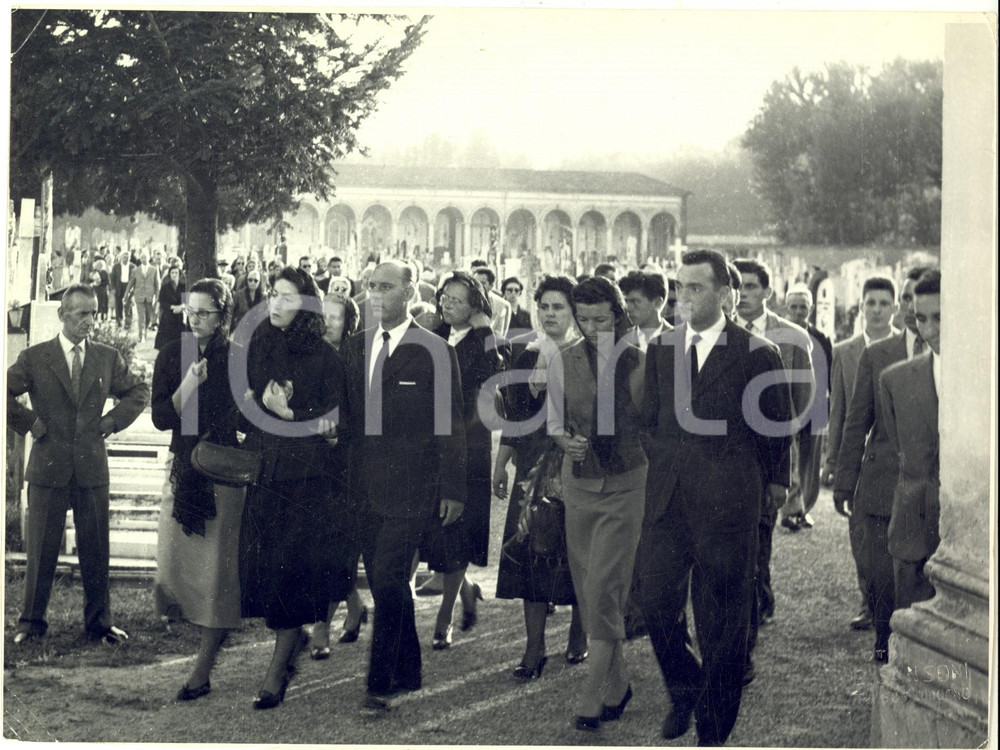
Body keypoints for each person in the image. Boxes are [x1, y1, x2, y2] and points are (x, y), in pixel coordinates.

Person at [638, 249, 791, 746]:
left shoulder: (756, 352)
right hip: (668, 502)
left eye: (695, 288)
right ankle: (684, 688)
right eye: (680, 286)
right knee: (656, 606)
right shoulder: (662, 348)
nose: (684, 296)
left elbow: (775, 429)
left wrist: (772, 486)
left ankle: (713, 731)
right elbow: (649, 422)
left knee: (722, 626)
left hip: (728, 506)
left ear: (724, 295)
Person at [341, 259, 466, 711]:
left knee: (391, 576)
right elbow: (346, 417)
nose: (375, 294)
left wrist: (452, 489)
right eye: (370, 285)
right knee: (382, 581)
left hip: (413, 486)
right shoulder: (354, 347)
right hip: (362, 486)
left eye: (386, 286)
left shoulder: (435, 349)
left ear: (410, 291)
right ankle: (408, 668)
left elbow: (450, 423)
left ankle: (381, 681)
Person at [7, 284, 150, 644]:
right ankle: (31, 624)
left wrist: (111, 421)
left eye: (94, 312)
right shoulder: (36, 357)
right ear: (63, 315)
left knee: (96, 549)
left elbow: (138, 392)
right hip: (48, 467)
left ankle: (100, 624)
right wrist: (29, 424)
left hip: (90, 468)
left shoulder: (106, 356)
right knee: (40, 550)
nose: (90, 320)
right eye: (82, 313)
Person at [239, 266, 350, 709]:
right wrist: (257, 410)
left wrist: (289, 416)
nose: (275, 302)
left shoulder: (326, 358)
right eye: (272, 293)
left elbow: (335, 422)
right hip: (267, 473)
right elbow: (244, 405)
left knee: (288, 571)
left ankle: (277, 669)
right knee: (266, 571)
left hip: (306, 482)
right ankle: (292, 642)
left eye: (286, 296)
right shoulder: (260, 345)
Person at [548, 276, 647, 731]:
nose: (590, 327)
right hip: (580, 486)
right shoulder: (562, 359)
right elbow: (554, 421)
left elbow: (656, 425)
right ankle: (618, 683)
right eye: (582, 318)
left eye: (600, 319)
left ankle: (590, 699)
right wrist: (563, 442)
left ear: (618, 313)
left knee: (604, 589)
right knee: (590, 593)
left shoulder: (640, 360)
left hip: (627, 483)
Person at [151, 278, 243, 701]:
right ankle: (204, 643)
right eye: (190, 311)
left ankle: (203, 667)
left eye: (205, 312)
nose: (195, 319)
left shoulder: (238, 358)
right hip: (183, 469)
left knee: (217, 575)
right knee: (172, 564)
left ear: (223, 316)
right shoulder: (172, 354)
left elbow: (249, 419)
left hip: (222, 475)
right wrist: (189, 383)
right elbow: (159, 418)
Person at [834, 266, 932, 662]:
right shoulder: (878, 355)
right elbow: (857, 420)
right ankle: (882, 630)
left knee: (916, 571)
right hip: (879, 480)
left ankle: (906, 646)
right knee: (876, 573)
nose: (911, 307)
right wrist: (844, 481)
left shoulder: (955, 352)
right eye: (905, 299)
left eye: (915, 299)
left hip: (926, 484)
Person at [494, 275, 587, 679]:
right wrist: (501, 463)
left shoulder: (589, 356)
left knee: (579, 552)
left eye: (559, 307)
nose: (550, 314)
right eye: (545, 307)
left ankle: (579, 633)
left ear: (573, 312)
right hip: (532, 469)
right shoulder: (524, 355)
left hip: (577, 467)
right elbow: (515, 418)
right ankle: (534, 647)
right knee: (530, 549)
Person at [732, 257, 813, 676]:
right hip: (721, 462)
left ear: (766, 291)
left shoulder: (793, 339)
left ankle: (748, 628)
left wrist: (781, 459)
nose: (742, 293)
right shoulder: (710, 337)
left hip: (765, 458)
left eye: (750, 286)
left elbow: (800, 403)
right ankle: (755, 600)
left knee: (757, 542)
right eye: (737, 285)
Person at [422, 272, 503, 649]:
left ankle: (444, 617)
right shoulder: (432, 336)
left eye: (457, 300)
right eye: (444, 297)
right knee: (433, 529)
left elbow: (494, 379)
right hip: (431, 444)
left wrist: (486, 333)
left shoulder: (482, 342)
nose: (447, 304)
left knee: (457, 531)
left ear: (475, 307)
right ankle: (467, 588)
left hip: (469, 443)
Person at [823, 275, 899, 631]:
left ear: (895, 308)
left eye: (884, 303)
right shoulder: (844, 351)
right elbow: (839, 411)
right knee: (861, 536)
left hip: (893, 457)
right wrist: (834, 462)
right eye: (871, 303)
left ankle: (889, 602)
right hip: (860, 456)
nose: (878, 310)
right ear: (862, 306)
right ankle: (869, 602)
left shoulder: (907, 348)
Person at [309, 292, 369, 658]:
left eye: (337, 317)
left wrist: (338, 433)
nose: (328, 322)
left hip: (344, 465)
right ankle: (355, 603)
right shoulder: (309, 356)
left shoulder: (354, 360)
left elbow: (362, 416)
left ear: (350, 323)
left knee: (336, 548)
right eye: (323, 315)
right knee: (320, 547)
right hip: (311, 463)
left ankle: (321, 627)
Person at [879, 270, 941, 614]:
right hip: (912, 534)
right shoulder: (896, 381)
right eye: (921, 318)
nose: (930, 330)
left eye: (940, 318)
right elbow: (904, 452)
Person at [780, 283, 832, 529]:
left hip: (815, 406)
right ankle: (790, 509)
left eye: (803, 308)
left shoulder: (821, 339)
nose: (799, 312)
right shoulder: (780, 334)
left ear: (810, 310)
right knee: (790, 457)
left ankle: (804, 508)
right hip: (788, 405)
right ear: (786, 308)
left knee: (810, 461)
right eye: (794, 307)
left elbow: (828, 376)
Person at [619, 270, 672, 352]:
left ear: (657, 302)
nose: (628, 308)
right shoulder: (622, 340)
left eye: (635, 301)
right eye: (626, 301)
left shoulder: (680, 339)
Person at [125, 253, 160, 342]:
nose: (143, 259)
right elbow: (131, 283)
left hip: (150, 296)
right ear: (140, 259)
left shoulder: (154, 269)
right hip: (139, 295)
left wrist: (157, 297)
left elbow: (157, 284)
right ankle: (142, 336)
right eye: (142, 257)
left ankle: (145, 331)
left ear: (148, 258)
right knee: (141, 316)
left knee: (148, 317)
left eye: (145, 257)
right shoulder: (136, 270)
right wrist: (126, 294)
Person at [154, 265, 186, 351]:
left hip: (180, 315)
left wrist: (181, 307)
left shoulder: (183, 287)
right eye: (172, 273)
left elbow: (187, 301)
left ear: (179, 274)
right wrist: (172, 307)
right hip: (168, 315)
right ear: (169, 275)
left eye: (176, 273)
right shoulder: (165, 287)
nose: (174, 275)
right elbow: (162, 301)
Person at [110, 249, 131, 327]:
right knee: (118, 304)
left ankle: (128, 322)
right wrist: (113, 288)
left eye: (127, 257)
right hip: (119, 286)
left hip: (128, 287)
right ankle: (119, 319)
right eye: (124, 257)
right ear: (121, 257)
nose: (125, 259)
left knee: (128, 304)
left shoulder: (132, 266)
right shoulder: (116, 266)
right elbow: (112, 278)